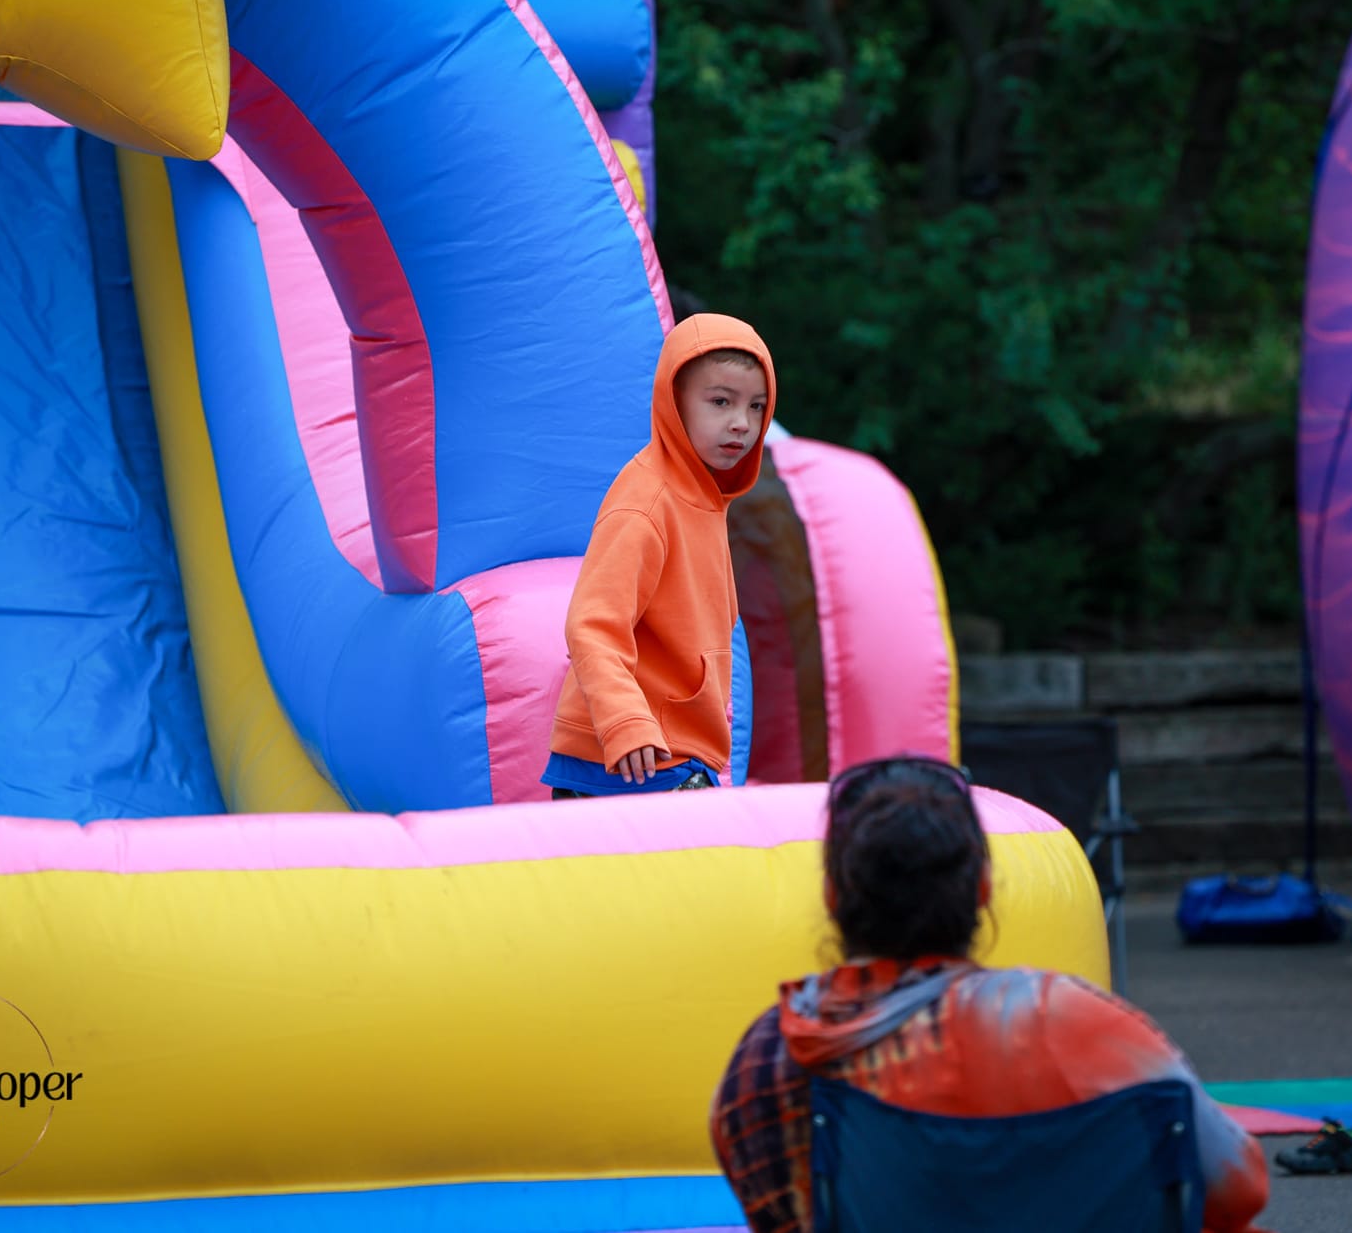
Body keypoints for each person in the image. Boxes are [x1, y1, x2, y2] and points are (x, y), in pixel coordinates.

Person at [709, 756, 1270, 1232]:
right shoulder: (1069, 1020)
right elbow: (1239, 1187)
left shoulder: (767, 1061)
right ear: (982, 888)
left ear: (832, 896)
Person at [541, 314, 775, 798]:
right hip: (633, 757)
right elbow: (592, 623)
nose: (742, 422)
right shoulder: (648, 500)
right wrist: (625, 721)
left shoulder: (705, 497)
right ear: (674, 401)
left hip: (675, 748)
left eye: (756, 406)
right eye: (720, 402)